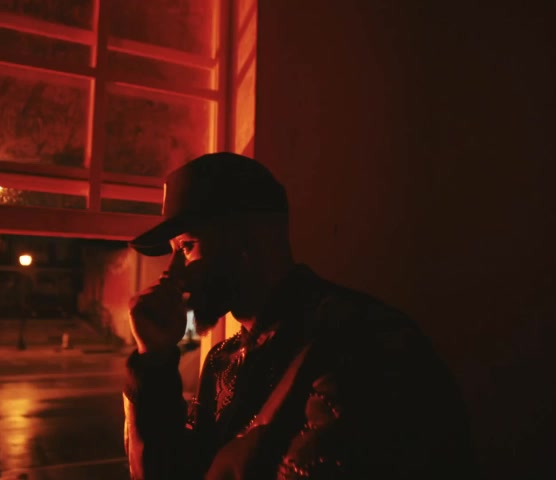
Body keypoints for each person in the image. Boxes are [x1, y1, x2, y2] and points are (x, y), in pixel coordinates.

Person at [123, 152, 476, 479]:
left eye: (187, 247)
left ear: (248, 238)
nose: (173, 274)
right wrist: (153, 361)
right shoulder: (222, 362)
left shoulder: (362, 339)